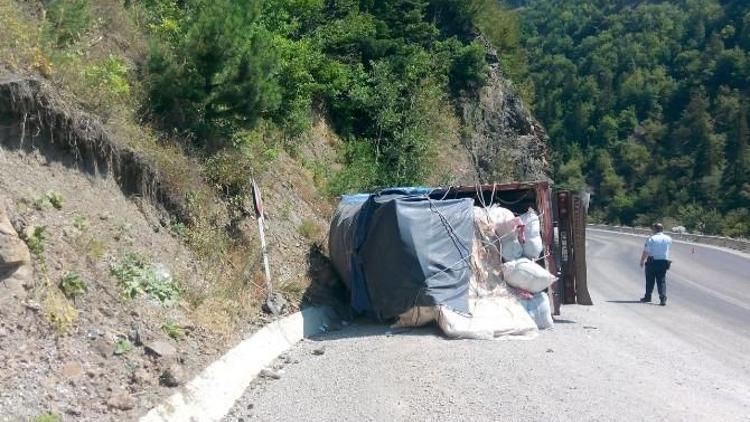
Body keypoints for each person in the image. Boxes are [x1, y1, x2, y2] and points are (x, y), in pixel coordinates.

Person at [639, 223, 672, 306]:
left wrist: (642, 260)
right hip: (663, 262)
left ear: (655, 229)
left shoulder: (651, 239)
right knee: (661, 281)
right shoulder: (668, 238)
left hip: (652, 261)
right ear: (662, 229)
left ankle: (648, 297)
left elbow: (646, 251)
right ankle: (663, 299)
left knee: (650, 280)